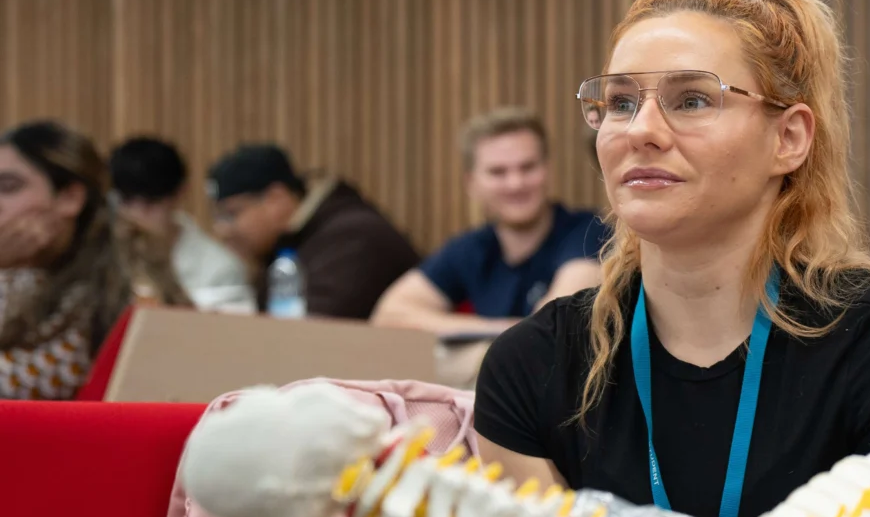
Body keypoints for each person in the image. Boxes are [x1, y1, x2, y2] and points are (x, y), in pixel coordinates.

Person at [472, 0, 870, 517]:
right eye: (621, 103)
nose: (640, 131)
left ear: (788, 138)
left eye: (691, 100)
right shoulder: (531, 366)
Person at [372, 107, 607, 336]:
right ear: (471, 183)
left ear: (547, 170)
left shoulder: (589, 230)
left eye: (528, 167)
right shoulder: (471, 248)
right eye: (498, 172)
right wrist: (498, 332)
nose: (515, 184)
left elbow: (554, 325)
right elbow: (388, 317)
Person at [0, 120, 190, 400]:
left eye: (8, 187)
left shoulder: (127, 284)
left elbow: (26, 381)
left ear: (70, 198)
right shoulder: (24, 269)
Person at [206, 144, 419, 320]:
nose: (223, 229)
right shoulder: (291, 241)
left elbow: (310, 336)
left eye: (231, 214)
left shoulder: (354, 239)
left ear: (276, 200)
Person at [110, 136, 255, 313]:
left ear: (179, 194)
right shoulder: (101, 258)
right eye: (126, 201)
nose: (136, 215)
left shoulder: (219, 269)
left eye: (151, 203)